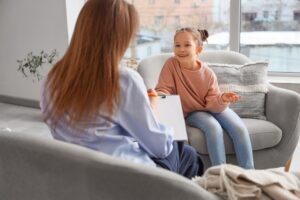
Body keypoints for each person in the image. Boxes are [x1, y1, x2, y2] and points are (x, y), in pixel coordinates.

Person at [40, 0, 203, 178]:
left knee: (185, 153)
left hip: (79, 171)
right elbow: (161, 148)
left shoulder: (52, 78)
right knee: (187, 153)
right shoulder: (123, 80)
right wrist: (153, 110)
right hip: (125, 177)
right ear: (119, 37)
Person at [155, 27, 254, 169]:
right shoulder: (171, 65)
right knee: (213, 127)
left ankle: (250, 174)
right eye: (177, 45)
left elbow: (213, 100)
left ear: (198, 49)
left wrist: (223, 98)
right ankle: (220, 174)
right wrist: (161, 95)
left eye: (187, 45)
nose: (181, 49)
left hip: (212, 106)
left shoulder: (208, 73)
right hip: (192, 111)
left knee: (239, 128)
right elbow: (164, 88)